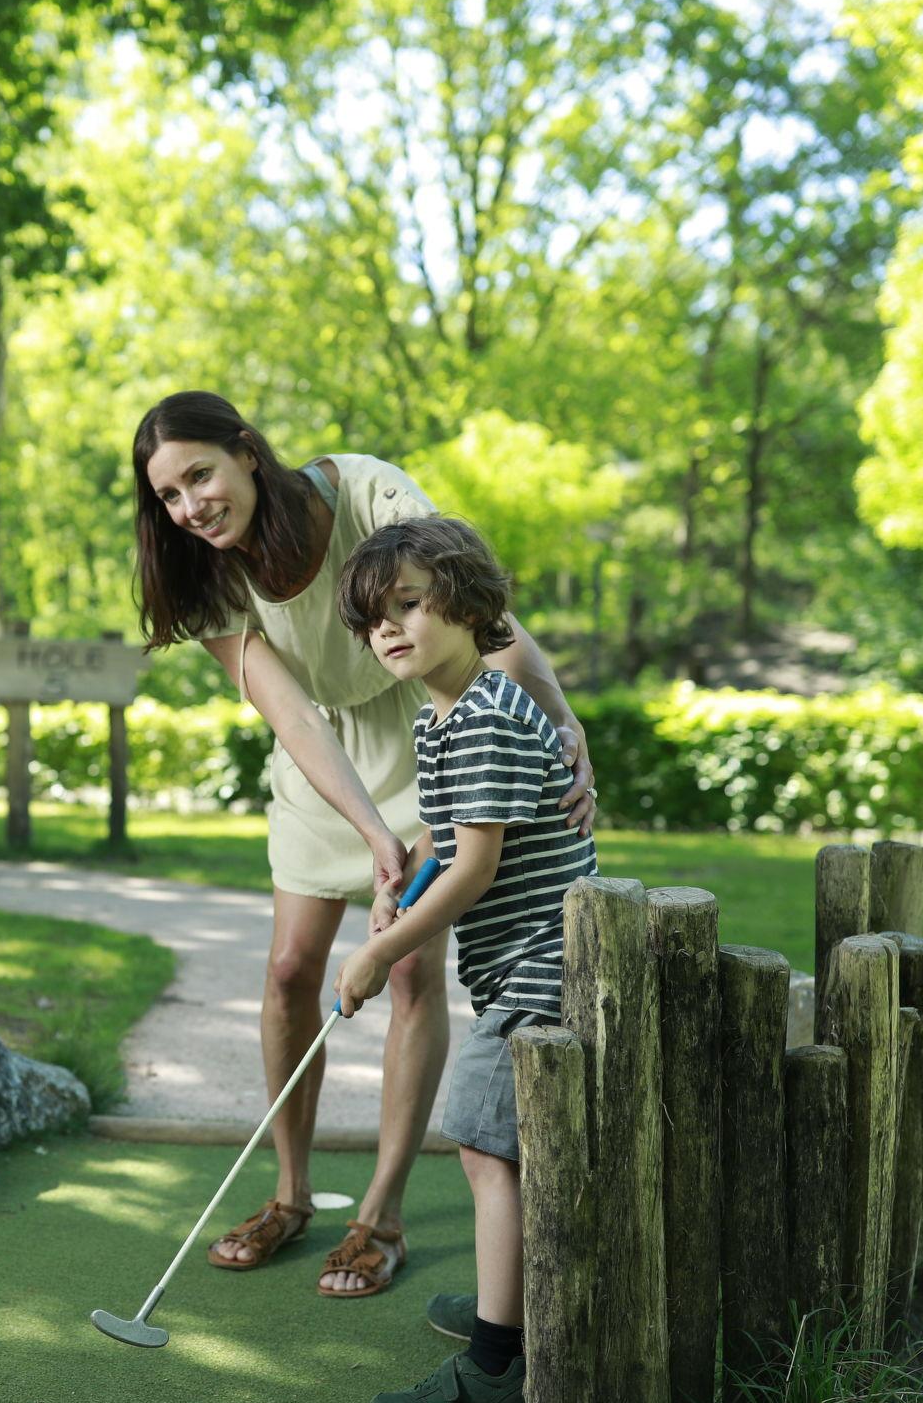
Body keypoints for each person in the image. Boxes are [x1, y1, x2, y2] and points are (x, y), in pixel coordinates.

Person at [132, 391, 595, 1297]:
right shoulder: (206, 572)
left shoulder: (370, 494)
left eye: (200, 475)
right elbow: (292, 714)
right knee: (288, 971)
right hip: (324, 767)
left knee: (412, 969)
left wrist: (559, 717)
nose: (191, 507)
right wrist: (373, 832)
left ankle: (380, 1215)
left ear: (247, 454)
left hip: (428, 724)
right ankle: (289, 1193)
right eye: (169, 496)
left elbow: (469, 618)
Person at [330, 515, 598, 1403]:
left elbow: (479, 869)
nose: (390, 629)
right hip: (520, 962)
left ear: (465, 601)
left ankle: (496, 1366)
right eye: (375, 619)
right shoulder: (445, 716)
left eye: (408, 603)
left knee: (486, 1148)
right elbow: (451, 840)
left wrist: (379, 952)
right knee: (493, 1147)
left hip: (541, 967)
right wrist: (401, 871)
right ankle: (508, 1313)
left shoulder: (482, 714)